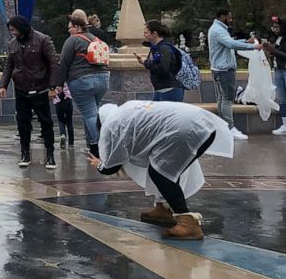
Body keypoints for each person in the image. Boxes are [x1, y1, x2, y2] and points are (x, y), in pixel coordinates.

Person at [88, 101, 234, 240]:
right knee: (161, 167)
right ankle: (163, 209)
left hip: (186, 129)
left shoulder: (113, 125)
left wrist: (99, 164)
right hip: (198, 124)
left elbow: (112, 165)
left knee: (161, 173)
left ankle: (187, 223)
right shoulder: (126, 110)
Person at [0, 16, 61, 169]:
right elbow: (9, 65)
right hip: (21, 88)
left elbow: (53, 64)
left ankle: (50, 155)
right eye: (11, 30)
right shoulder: (13, 44)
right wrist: (3, 85)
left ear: (21, 28)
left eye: (14, 30)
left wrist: (53, 87)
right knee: (23, 123)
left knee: (46, 122)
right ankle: (25, 153)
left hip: (40, 87)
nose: (12, 33)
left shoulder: (43, 40)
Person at [53, 12, 110, 158]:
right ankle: (91, 145)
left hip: (82, 81)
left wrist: (58, 84)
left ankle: (102, 147)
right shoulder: (95, 38)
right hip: (103, 79)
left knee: (90, 115)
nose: (69, 30)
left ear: (78, 27)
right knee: (91, 112)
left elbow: (64, 63)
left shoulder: (73, 40)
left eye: (70, 27)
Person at [207, 9, 261, 140]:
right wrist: (253, 47)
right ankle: (230, 128)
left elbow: (229, 41)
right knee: (226, 99)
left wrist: (245, 41)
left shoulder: (217, 29)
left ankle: (224, 126)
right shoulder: (218, 30)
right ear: (222, 17)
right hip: (224, 70)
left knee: (221, 98)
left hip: (218, 69)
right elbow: (231, 44)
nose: (230, 20)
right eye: (229, 17)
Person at [135, 20, 185, 102]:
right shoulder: (155, 48)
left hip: (170, 90)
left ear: (154, 34)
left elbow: (163, 68)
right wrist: (145, 61)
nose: (144, 35)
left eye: (146, 33)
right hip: (160, 90)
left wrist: (145, 62)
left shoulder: (164, 48)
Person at [53, 83, 74, 151]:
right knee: (69, 122)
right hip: (68, 99)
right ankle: (71, 144)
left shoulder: (54, 80)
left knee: (61, 120)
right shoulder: (67, 79)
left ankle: (62, 134)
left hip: (57, 101)